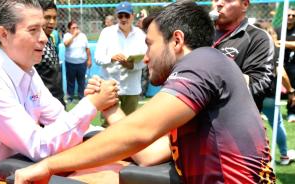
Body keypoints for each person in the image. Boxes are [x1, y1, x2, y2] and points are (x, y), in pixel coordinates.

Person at [15, 1, 275, 183]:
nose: (147, 58)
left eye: (150, 45)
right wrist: (111, 109)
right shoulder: (202, 84)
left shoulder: (203, 62)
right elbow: (147, 154)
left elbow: (138, 133)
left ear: (177, 40)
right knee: (102, 173)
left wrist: (48, 165)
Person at [0, 0, 118, 183]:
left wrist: (114, 137)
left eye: (42, 28)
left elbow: (59, 118)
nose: (43, 37)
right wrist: (92, 103)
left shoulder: (26, 69)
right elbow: (39, 146)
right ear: (3, 34)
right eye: (33, 30)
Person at [211, 0, 275, 112]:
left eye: (228, 0)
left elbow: (259, 85)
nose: (219, 3)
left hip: (231, 121)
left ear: (244, 5)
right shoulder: (199, 34)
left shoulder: (257, 37)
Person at [95, 1, 147, 116]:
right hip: (110, 87)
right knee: (107, 125)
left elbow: (145, 60)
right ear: (116, 17)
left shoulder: (141, 35)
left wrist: (132, 66)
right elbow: (98, 58)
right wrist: (111, 58)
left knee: (129, 124)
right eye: (120, 16)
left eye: (127, 15)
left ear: (132, 16)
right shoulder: (107, 32)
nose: (123, 19)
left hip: (131, 88)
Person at [256, 21, 295, 165]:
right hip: (268, 94)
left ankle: (253, 159)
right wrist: (291, 91)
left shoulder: (246, 46)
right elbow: (281, 73)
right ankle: (284, 156)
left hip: (249, 95)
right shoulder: (273, 49)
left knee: (250, 127)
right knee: (277, 124)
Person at [34, 0, 65, 106]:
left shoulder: (50, 39)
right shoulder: (34, 43)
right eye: (47, 17)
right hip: (43, 106)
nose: (52, 22)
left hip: (57, 102)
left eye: (54, 18)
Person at [63, 20, 92, 103]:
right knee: (70, 81)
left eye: (77, 27)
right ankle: (70, 98)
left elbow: (87, 48)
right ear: (69, 29)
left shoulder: (83, 36)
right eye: (73, 28)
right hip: (70, 63)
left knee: (81, 81)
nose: (76, 29)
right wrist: (74, 36)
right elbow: (66, 44)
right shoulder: (67, 35)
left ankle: (81, 97)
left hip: (82, 63)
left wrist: (89, 59)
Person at [275, 7, 295, 122]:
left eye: (293, 15)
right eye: (288, 15)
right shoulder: (279, 30)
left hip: (293, 64)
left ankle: (292, 112)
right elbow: (273, 42)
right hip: (278, 63)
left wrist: (282, 43)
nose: (291, 17)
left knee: (293, 88)